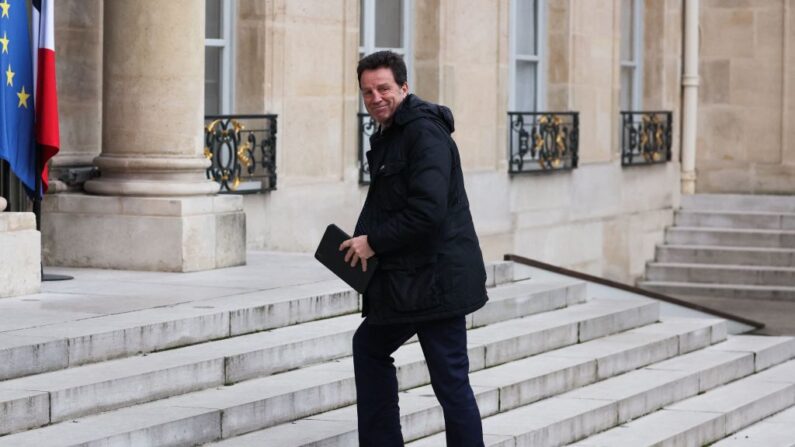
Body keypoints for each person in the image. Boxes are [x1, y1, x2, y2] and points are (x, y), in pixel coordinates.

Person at [339, 50, 488, 447]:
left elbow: (428, 211)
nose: (375, 98)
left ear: (404, 87)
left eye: (383, 88)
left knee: (451, 383)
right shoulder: (390, 134)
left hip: (439, 281)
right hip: (410, 280)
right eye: (367, 92)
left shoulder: (424, 133)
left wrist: (373, 242)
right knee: (369, 347)